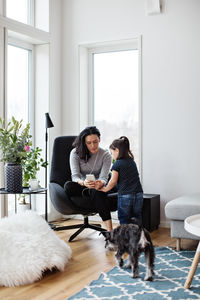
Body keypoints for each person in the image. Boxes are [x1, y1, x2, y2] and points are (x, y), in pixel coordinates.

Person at [64, 126, 116, 231]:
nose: (93, 145)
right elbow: (75, 176)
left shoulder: (106, 155)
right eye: (89, 143)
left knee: (97, 192)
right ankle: (91, 191)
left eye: (95, 142)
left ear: (99, 140)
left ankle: (110, 232)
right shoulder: (75, 153)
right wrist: (84, 183)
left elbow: (104, 177)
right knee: (68, 186)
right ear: (84, 142)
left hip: (97, 187)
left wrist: (100, 183)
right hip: (82, 186)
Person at [99, 136, 143, 225]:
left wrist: (105, 189)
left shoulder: (117, 164)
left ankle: (125, 238)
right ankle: (138, 237)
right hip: (138, 194)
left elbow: (113, 181)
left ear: (117, 151)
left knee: (124, 219)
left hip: (125, 196)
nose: (112, 156)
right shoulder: (131, 161)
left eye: (112, 153)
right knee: (137, 217)